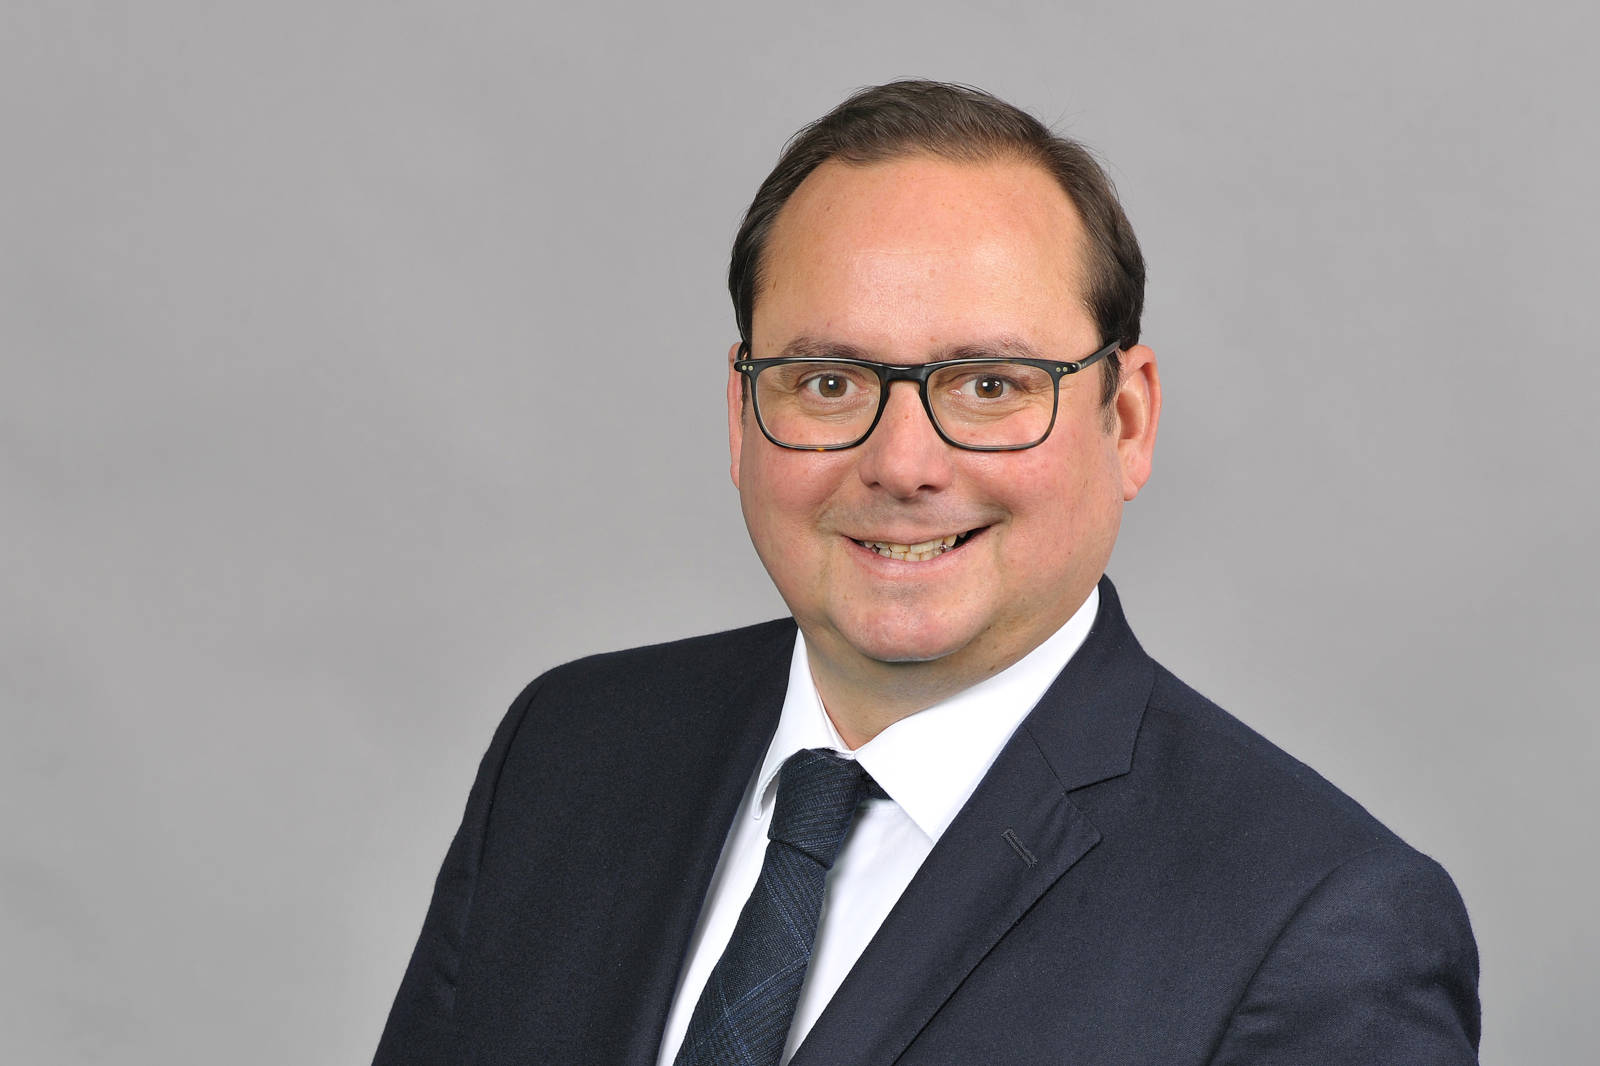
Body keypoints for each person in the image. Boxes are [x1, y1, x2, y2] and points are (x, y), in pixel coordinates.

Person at [373, 81, 1480, 1066]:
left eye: (990, 386)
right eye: (826, 382)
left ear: (1127, 418)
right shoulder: (569, 750)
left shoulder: (1317, 925)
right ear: (740, 412)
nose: (902, 463)